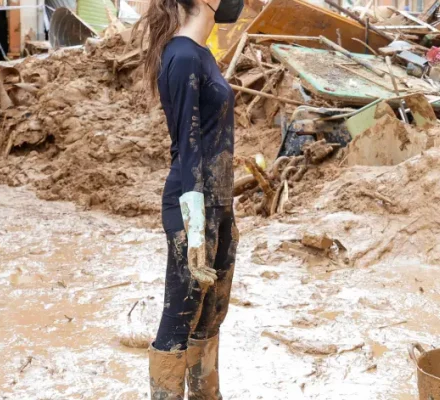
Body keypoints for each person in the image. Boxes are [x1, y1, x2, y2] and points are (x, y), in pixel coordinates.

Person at [133, 0, 243, 396]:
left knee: (211, 316)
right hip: (190, 205)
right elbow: (187, 146)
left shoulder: (202, 54)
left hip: (217, 203)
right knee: (179, 318)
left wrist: (225, 213)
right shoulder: (180, 57)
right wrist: (196, 228)